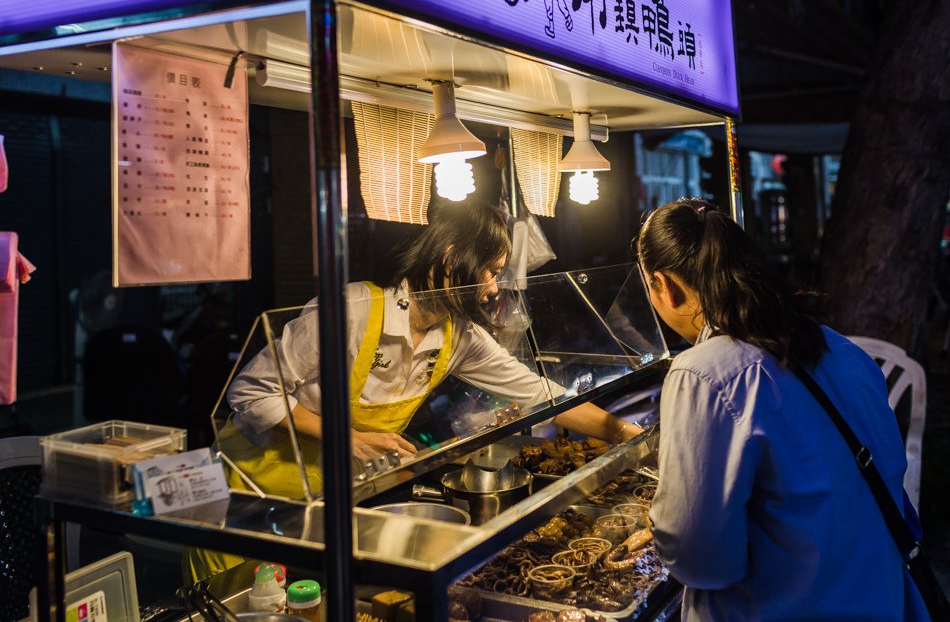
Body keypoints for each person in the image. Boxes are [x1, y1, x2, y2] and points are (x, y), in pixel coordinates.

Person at [185, 201, 641, 582]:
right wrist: (346, 437)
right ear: (448, 255)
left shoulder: (458, 335)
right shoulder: (354, 310)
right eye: (489, 270)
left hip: (328, 505)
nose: (491, 287)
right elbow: (249, 392)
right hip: (248, 497)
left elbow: (542, 395)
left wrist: (624, 432)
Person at [636, 198, 929, 621]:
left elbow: (702, 560)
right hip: (880, 602)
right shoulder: (842, 349)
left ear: (665, 286)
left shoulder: (703, 373)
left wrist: (658, 521)